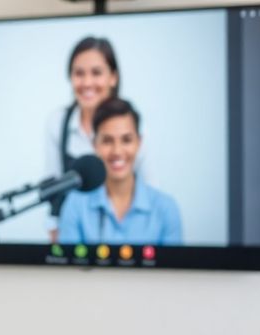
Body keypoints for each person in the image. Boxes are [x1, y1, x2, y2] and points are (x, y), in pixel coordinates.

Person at [57, 97, 182, 245]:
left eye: (126, 140)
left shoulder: (166, 208)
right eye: (107, 141)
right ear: (94, 145)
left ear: (139, 143)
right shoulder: (75, 205)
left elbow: (171, 268)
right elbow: (68, 267)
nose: (117, 151)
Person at [43, 36, 122, 243]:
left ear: (113, 77)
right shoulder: (58, 122)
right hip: (73, 240)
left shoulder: (132, 126)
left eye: (96, 73)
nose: (87, 82)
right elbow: (53, 195)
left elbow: (150, 193)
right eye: (79, 73)